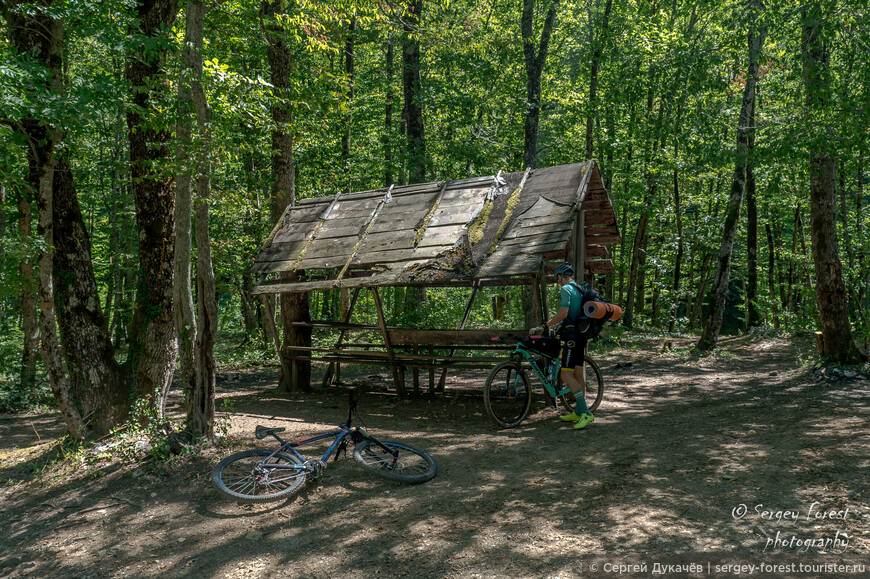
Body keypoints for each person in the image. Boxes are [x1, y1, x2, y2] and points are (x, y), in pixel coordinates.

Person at [532, 261, 594, 430]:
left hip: (572, 338)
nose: (557, 282)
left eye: (557, 278)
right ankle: (579, 412)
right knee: (578, 375)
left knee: (566, 376)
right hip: (581, 336)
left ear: (560, 277)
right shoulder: (580, 289)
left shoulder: (566, 289)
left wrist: (546, 325)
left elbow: (563, 313)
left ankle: (586, 413)